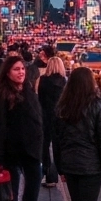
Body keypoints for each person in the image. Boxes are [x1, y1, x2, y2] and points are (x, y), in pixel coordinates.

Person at [51, 67, 101, 201]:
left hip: (69, 163)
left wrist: (60, 168)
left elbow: (57, 140)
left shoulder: (62, 107)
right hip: (91, 166)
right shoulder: (97, 106)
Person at [0, 54, 43, 201]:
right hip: (10, 152)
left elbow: (38, 120)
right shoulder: (1, 95)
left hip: (32, 152)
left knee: (31, 195)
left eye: (22, 69)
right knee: (10, 196)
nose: (21, 72)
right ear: (7, 73)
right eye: (16, 69)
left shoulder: (29, 91)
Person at [36, 56, 68, 186]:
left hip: (45, 115)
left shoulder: (43, 80)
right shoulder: (64, 81)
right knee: (58, 146)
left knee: (44, 145)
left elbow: (40, 98)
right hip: (60, 117)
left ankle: (48, 173)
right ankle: (60, 173)